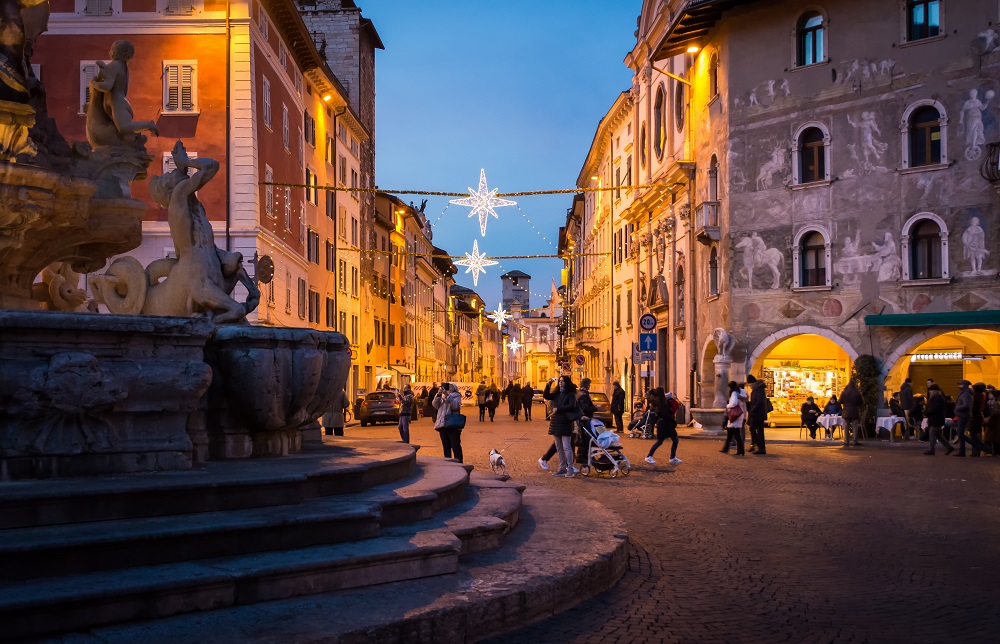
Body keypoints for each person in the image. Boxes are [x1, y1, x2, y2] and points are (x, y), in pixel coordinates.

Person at [543, 376, 579, 477]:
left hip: (565, 422)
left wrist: (559, 408)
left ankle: (570, 469)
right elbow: (546, 395)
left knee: (566, 447)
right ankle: (562, 468)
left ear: (566, 383)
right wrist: (548, 384)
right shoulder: (557, 394)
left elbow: (571, 406)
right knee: (559, 447)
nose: (560, 383)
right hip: (556, 422)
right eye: (559, 381)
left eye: (562, 381)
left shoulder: (570, 394)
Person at [954, 380, 990, 457]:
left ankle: (980, 448)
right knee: (973, 434)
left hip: (973, 416)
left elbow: (969, 406)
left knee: (972, 434)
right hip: (974, 416)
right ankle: (976, 450)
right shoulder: (977, 395)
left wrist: (957, 408)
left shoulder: (973, 395)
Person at [645, 388, 681, 465]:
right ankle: (649, 456)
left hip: (664, 424)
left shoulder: (657, 402)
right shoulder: (662, 403)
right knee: (661, 441)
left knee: (674, 440)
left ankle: (672, 457)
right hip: (665, 424)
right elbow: (666, 413)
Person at [432, 383, 464, 462]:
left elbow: (456, 406)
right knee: (446, 446)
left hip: (452, 423)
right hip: (442, 423)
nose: (448, 388)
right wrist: (438, 395)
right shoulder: (442, 396)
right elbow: (435, 405)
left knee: (455, 445)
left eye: (450, 386)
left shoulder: (457, 396)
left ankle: (459, 462)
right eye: (447, 386)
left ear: (454, 388)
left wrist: (448, 396)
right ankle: (448, 462)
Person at [923, 384, 954, 456]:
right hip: (934, 419)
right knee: (938, 436)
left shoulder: (938, 398)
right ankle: (949, 447)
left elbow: (936, 409)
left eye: (931, 390)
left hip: (936, 420)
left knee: (932, 434)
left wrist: (927, 412)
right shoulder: (935, 398)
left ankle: (931, 450)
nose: (930, 392)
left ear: (935, 391)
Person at [575, 378, 597, 466]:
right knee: (585, 438)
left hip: (584, 419)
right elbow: (585, 407)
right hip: (584, 419)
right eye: (589, 384)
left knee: (585, 438)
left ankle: (583, 455)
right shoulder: (583, 395)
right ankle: (582, 456)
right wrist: (594, 408)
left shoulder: (580, 393)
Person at [721, 381, 746, 456]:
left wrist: (727, 406)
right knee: (731, 434)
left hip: (734, 415)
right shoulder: (739, 392)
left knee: (735, 434)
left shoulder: (734, 393)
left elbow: (734, 403)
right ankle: (726, 449)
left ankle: (740, 450)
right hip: (738, 415)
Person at [746, 375, 768, 455]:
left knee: (756, 430)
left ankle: (760, 447)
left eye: (750, 384)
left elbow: (758, 402)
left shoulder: (759, 390)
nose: (750, 386)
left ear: (753, 383)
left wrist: (752, 409)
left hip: (758, 413)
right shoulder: (758, 389)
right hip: (758, 413)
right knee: (756, 429)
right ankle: (757, 445)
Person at [840, 380, 864, 448]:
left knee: (846, 427)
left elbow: (840, 401)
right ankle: (855, 441)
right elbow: (861, 402)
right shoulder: (857, 392)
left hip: (846, 411)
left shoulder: (844, 392)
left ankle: (846, 441)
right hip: (854, 411)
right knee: (855, 426)